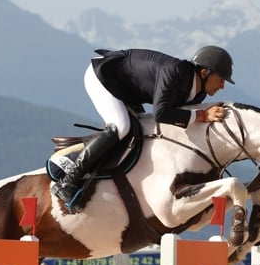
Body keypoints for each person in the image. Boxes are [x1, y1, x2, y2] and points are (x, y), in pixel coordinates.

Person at [52, 46, 236, 210]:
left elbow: (177, 123)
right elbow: (161, 114)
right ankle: (69, 181)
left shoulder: (198, 94)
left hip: (127, 91)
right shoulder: (176, 72)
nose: (223, 85)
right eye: (221, 79)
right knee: (121, 127)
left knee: (140, 132)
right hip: (104, 77)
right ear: (204, 72)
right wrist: (202, 115)